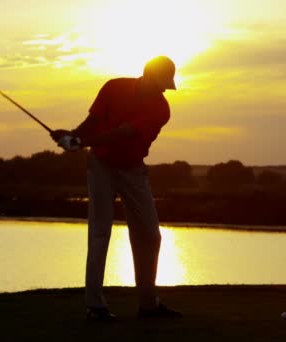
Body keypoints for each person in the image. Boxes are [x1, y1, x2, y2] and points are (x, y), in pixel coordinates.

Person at [51, 56, 182, 321]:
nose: (164, 89)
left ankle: (148, 305)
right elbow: (93, 120)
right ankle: (95, 306)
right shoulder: (113, 87)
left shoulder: (161, 109)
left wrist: (80, 142)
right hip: (101, 167)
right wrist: (74, 136)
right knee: (100, 233)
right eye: (161, 83)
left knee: (150, 234)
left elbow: (124, 133)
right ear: (147, 75)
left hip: (133, 169)